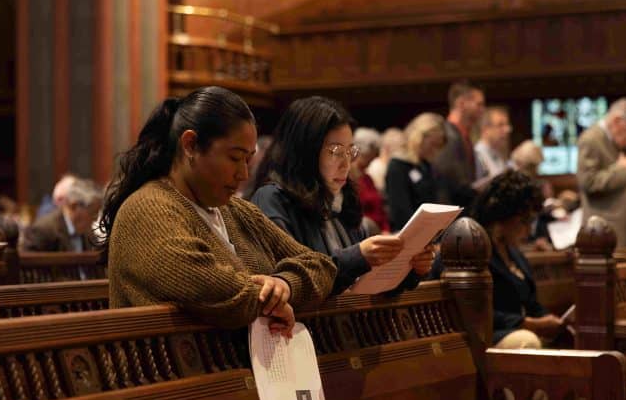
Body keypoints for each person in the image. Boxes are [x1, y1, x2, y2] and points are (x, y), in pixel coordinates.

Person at [99, 86, 336, 336]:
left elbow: (322, 267)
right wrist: (271, 299)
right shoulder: (148, 209)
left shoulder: (237, 210)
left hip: (240, 371)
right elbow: (219, 293)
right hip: (166, 373)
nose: (243, 174)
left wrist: (285, 284)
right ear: (190, 145)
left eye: (248, 160)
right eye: (234, 158)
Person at [250, 96, 433, 295]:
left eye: (350, 152)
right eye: (335, 151)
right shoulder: (272, 199)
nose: (346, 164)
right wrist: (357, 257)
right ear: (305, 151)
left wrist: (411, 269)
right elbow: (293, 282)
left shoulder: (342, 199)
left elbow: (367, 288)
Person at [472, 170, 564, 348]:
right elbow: (476, 311)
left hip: (518, 331)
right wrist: (527, 323)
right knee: (527, 341)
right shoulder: (474, 250)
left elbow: (531, 303)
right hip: (486, 335)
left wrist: (550, 321)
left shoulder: (514, 253)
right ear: (502, 215)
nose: (529, 231)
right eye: (525, 221)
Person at [577, 97, 626, 247]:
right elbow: (588, 183)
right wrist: (621, 169)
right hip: (604, 230)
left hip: (622, 224)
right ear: (617, 121)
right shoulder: (591, 139)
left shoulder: (615, 139)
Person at [385, 112, 446, 232]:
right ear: (419, 137)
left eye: (438, 146)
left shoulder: (425, 165)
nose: (435, 150)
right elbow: (400, 212)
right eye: (433, 144)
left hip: (428, 233)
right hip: (407, 236)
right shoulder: (398, 165)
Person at [433, 80, 485, 208]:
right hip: (451, 212)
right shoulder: (447, 135)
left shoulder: (463, 135)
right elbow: (450, 184)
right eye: (478, 104)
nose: (482, 110)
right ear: (461, 103)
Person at [21, 177, 102, 251]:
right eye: (93, 212)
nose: (96, 218)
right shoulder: (43, 230)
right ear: (74, 206)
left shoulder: (89, 233)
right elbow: (29, 264)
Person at [352, 127, 389, 234]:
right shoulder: (349, 179)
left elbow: (380, 209)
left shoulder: (368, 178)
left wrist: (386, 230)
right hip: (365, 233)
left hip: (380, 232)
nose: (374, 158)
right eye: (372, 154)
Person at [474, 106, 512, 185]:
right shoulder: (477, 156)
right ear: (486, 129)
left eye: (507, 125)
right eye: (500, 125)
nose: (507, 129)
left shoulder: (498, 154)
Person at [366, 127, 405, 193]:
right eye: (400, 148)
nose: (402, 152)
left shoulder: (390, 166)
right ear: (387, 148)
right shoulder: (376, 167)